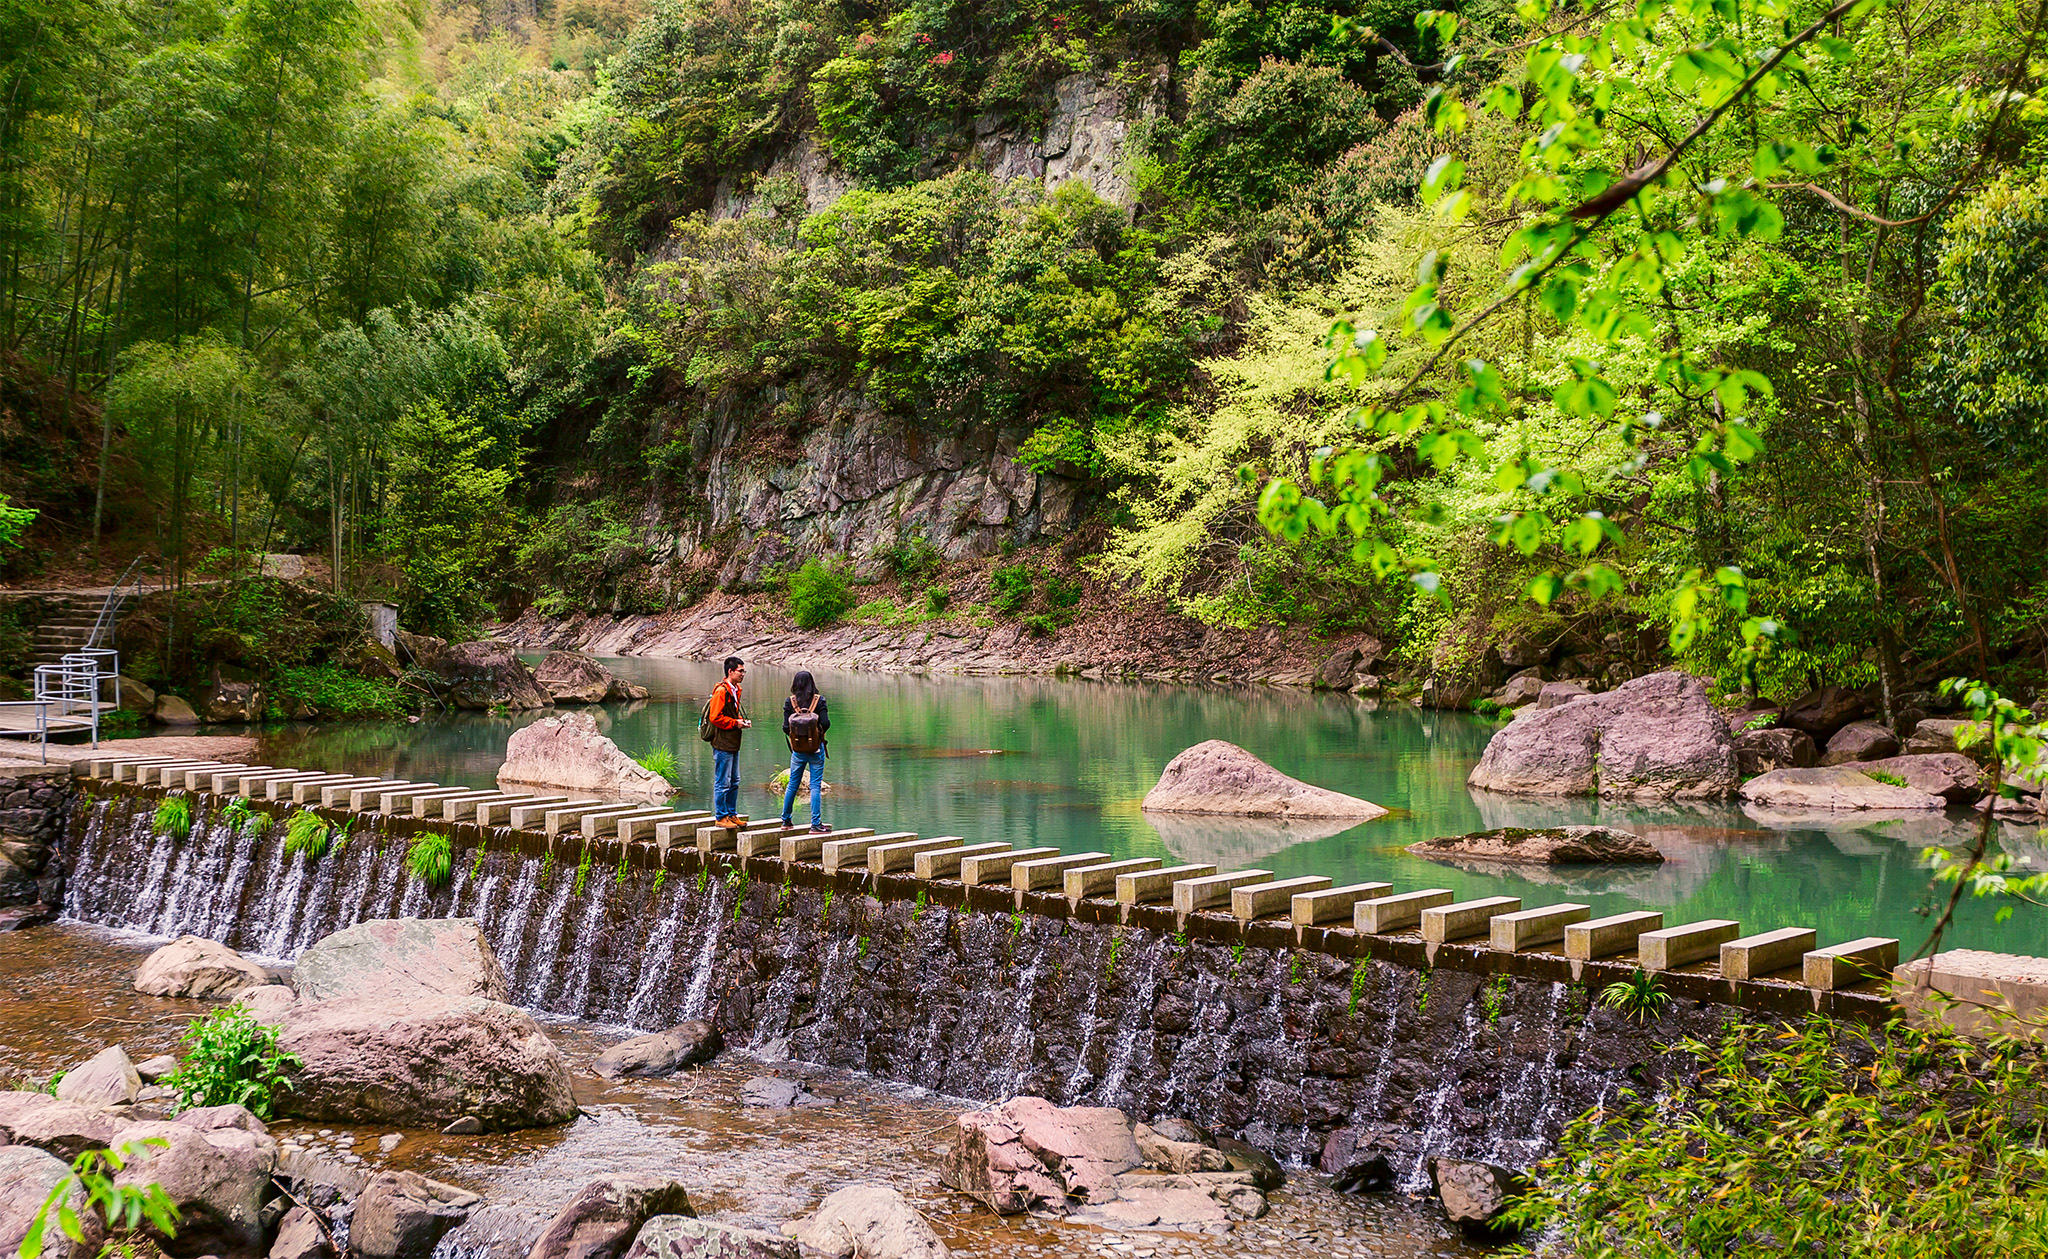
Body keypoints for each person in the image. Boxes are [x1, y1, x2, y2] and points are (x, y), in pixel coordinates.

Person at [780, 670, 832, 833]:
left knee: (793, 784)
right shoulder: (819, 700)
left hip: (798, 751)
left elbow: (785, 727)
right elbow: (826, 723)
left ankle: (786, 821)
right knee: (815, 785)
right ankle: (815, 824)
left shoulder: (790, 702)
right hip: (816, 749)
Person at [704, 656, 750, 828]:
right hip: (722, 742)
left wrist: (741, 721)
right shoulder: (722, 691)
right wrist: (734, 723)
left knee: (734, 780)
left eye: (743, 671)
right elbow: (715, 717)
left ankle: (731, 814)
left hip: (733, 741)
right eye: (740, 671)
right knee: (723, 781)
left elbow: (730, 713)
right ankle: (720, 817)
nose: (743, 674)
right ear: (730, 671)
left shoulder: (735, 689)